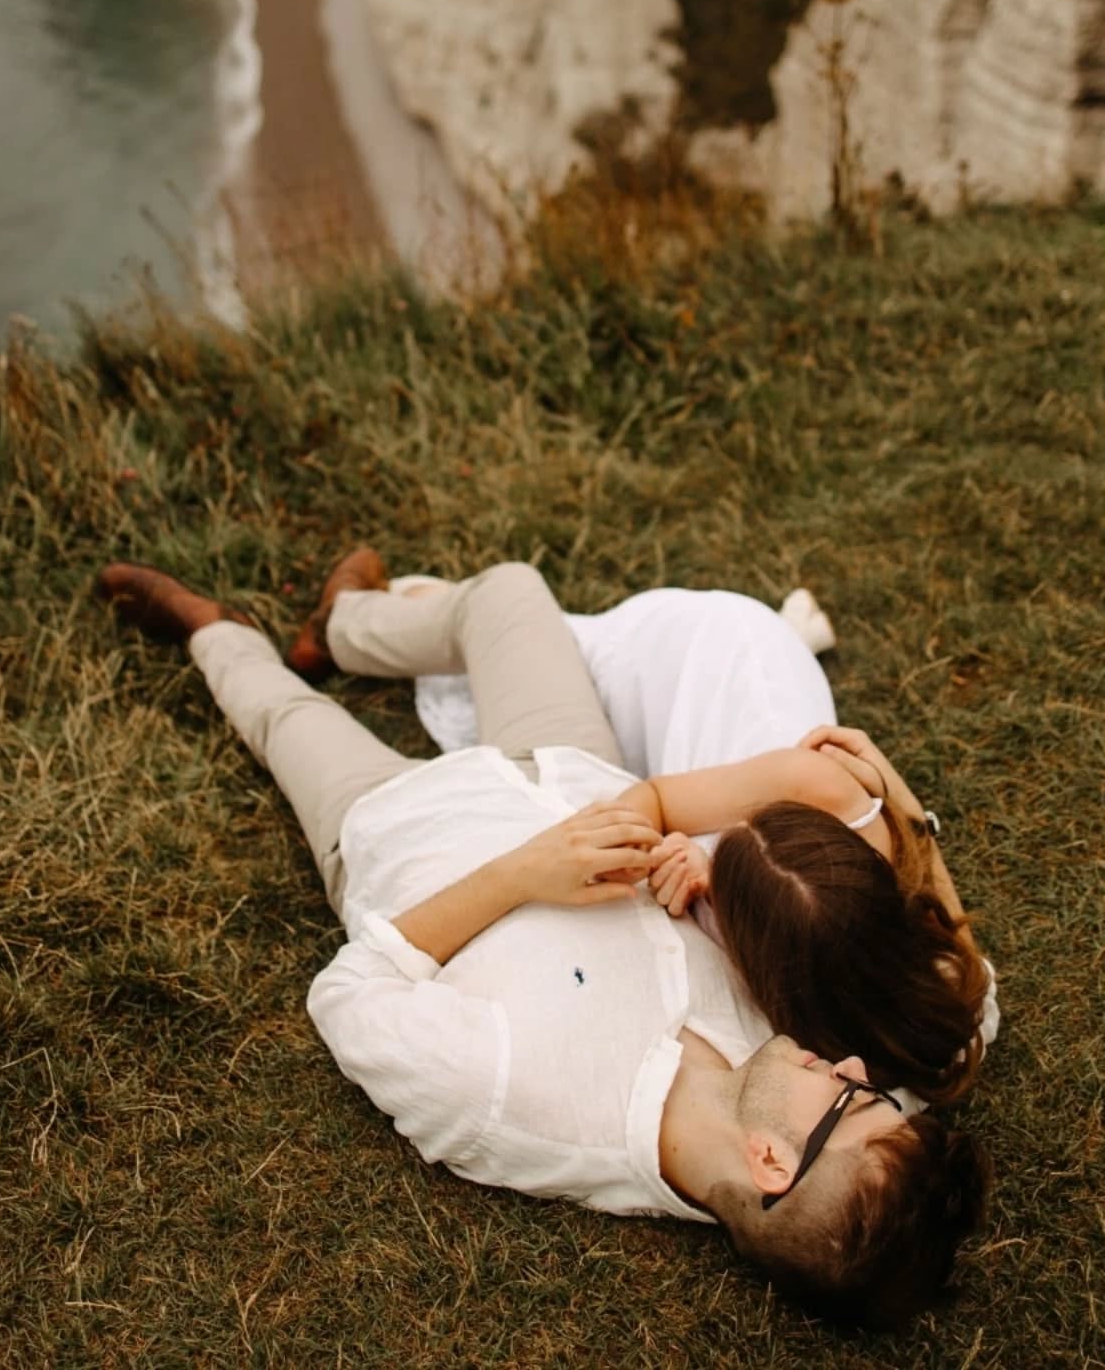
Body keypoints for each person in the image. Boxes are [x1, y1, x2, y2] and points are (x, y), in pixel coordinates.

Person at [96, 555, 991, 1328]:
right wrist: (899, 804)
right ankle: (345, 627)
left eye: (858, 1103)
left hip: (397, 824)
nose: (858, 1073)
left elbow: (350, 993)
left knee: (280, 717)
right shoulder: (788, 1066)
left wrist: (525, 872)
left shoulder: (510, 1106)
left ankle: (216, 633)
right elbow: (970, 1003)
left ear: (769, 1162)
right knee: (508, 593)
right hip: (569, 767)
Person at [293, 559, 994, 1105]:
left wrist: (689, 867)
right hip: (704, 656)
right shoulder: (822, 788)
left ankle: (374, 618)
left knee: (520, 634)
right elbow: (654, 796)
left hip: (722, 766)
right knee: (525, 627)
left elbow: (964, 1016)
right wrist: (903, 809)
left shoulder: (839, 1026)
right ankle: (344, 624)